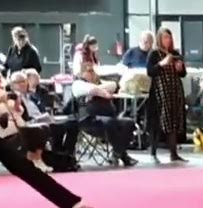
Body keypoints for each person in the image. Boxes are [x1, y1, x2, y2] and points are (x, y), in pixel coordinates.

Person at [72, 63, 138, 166]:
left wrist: (99, 90)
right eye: (89, 71)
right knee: (110, 122)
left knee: (129, 123)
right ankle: (122, 155)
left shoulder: (99, 83)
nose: (93, 74)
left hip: (108, 118)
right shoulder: (77, 84)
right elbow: (90, 89)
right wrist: (103, 92)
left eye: (93, 71)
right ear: (82, 73)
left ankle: (116, 154)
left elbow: (114, 85)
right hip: (89, 120)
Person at [146, 27, 187, 163]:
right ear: (159, 39)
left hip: (174, 90)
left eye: (169, 38)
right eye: (164, 38)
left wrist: (180, 68)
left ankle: (173, 153)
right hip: (160, 92)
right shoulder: (154, 54)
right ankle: (153, 152)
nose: (167, 41)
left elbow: (183, 74)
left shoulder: (175, 53)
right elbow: (150, 71)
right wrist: (162, 64)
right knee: (159, 121)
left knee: (174, 121)